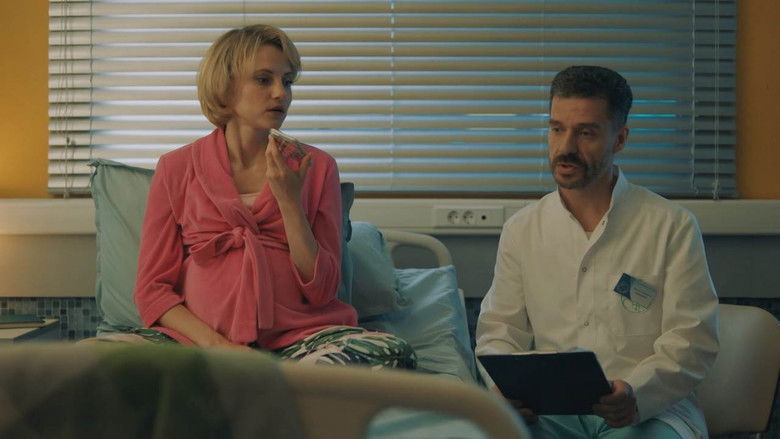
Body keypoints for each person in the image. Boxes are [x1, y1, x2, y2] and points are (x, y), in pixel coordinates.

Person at [132, 24, 416, 369]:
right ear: (225, 86)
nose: (281, 93)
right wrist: (217, 346)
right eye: (264, 79)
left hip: (302, 342)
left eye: (288, 81)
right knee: (97, 360)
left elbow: (322, 290)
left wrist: (290, 202)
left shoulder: (317, 167)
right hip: (198, 344)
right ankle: (266, 385)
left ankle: (261, 382)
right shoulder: (176, 168)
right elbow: (152, 290)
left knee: (391, 354)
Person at [475, 66, 719, 438]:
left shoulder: (671, 225)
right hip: (549, 411)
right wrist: (503, 389)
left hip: (648, 410)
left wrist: (636, 392)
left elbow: (692, 338)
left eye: (586, 133)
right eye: (557, 129)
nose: (565, 148)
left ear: (619, 139)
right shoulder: (522, 229)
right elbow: (500, 330)